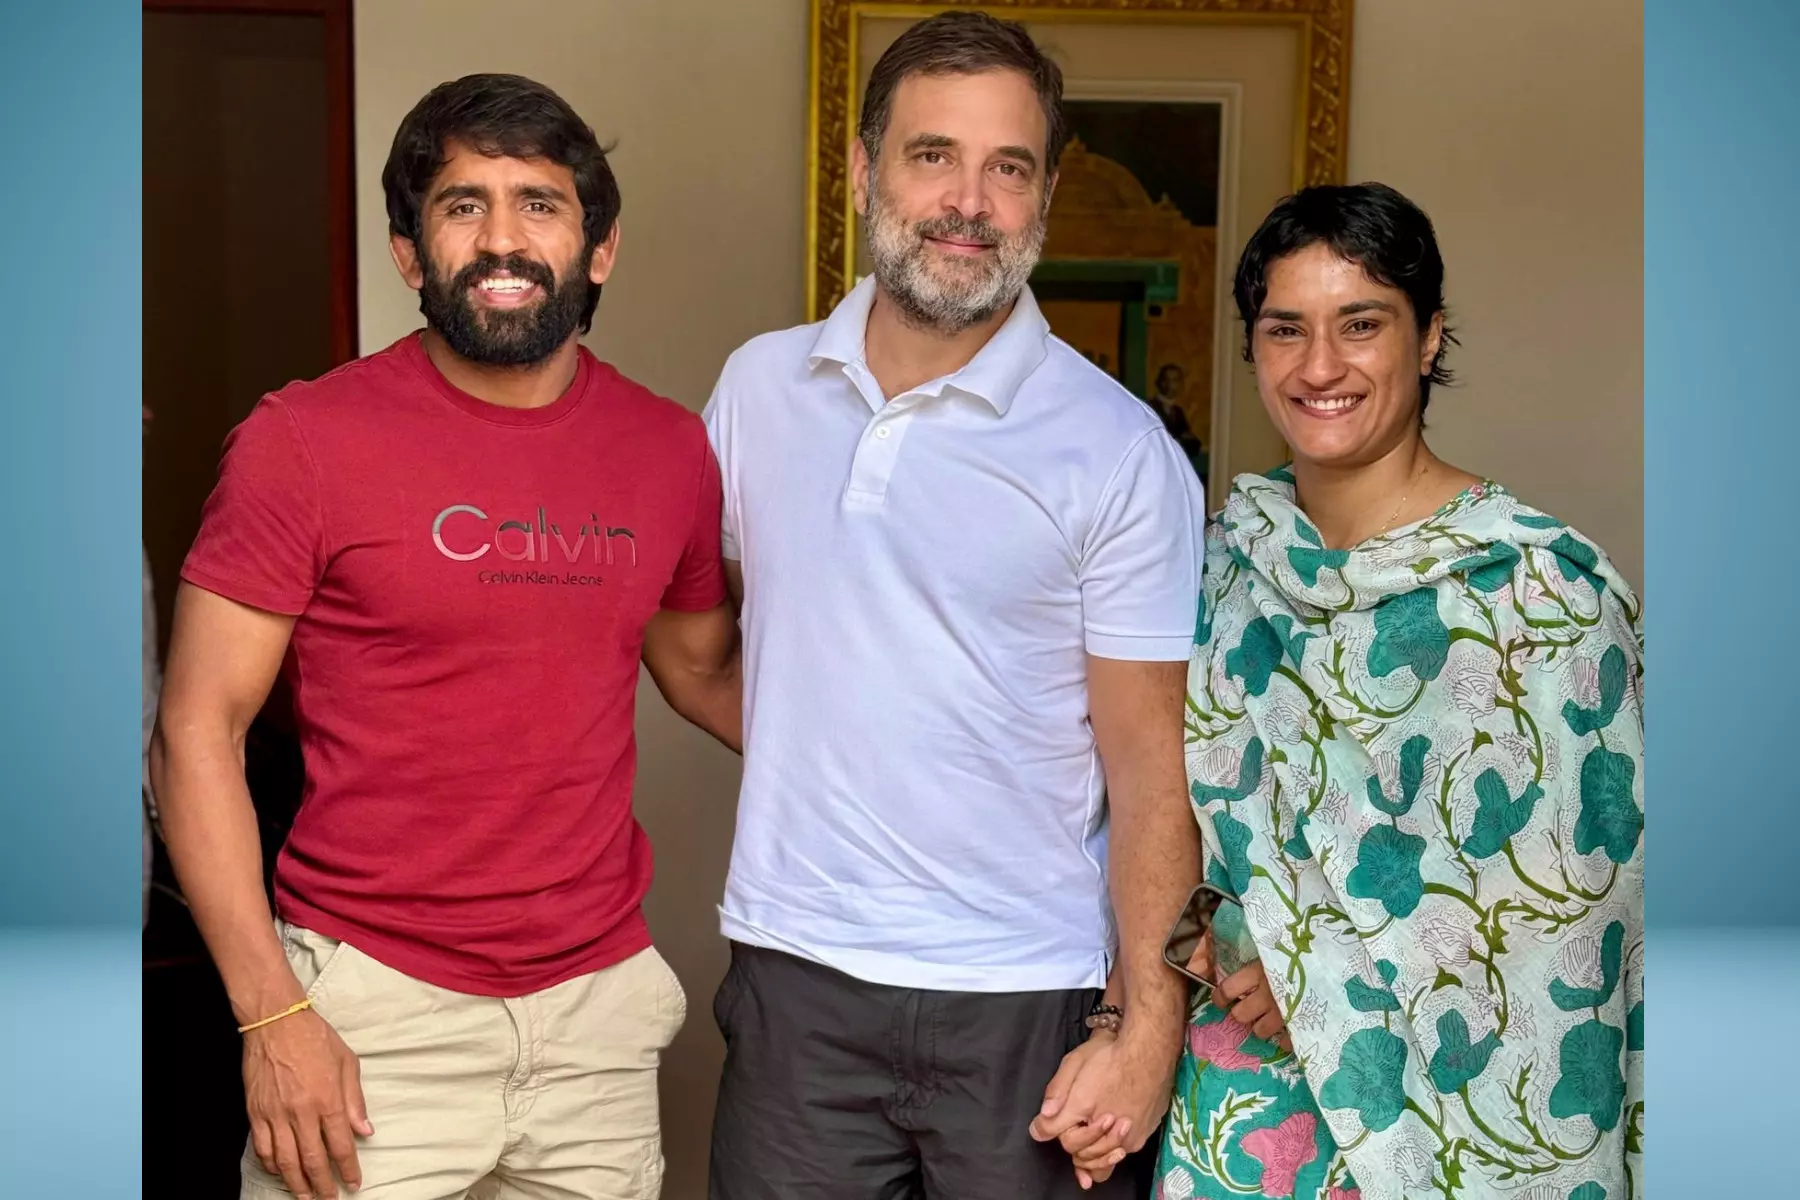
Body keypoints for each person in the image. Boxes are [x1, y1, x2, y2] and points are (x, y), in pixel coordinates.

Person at [151, 74, 739, 1200]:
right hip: (368, 1014)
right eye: (464, 206)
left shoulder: (668, 452)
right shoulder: (304, 442)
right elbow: (195, 731)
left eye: (541, 204)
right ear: (410, 254)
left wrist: (941, 761)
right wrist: (272, 1013)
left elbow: (707, 672)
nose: (503, 239)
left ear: (598, 249)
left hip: (595, 1023)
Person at [700, 12, 1206, 1197]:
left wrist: (1145, 1031)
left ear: (1045, 193)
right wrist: (825, 751)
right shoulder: (758, 387)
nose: (969, 201)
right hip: (797, 977)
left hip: (1029, 996)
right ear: (868, 166)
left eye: (1009, 168)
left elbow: (1150, 773)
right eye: (934, 156)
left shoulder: (1119, 452)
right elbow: (693, 634)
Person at [1149, 183, 1644, 1199]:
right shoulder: (1225, 569)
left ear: (1428, 340)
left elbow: (1580, 903)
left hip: (1457, 1114)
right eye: (1285, 330)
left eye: (1360, 325)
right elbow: (1173, 814)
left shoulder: (1538, 590)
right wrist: (1225, 943)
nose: (1319, 367)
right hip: (1246, 1093)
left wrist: (1324, 985)